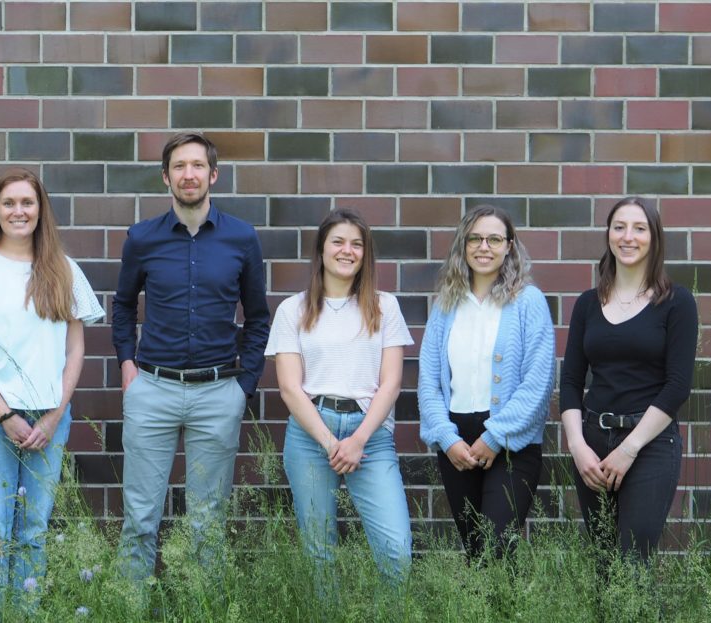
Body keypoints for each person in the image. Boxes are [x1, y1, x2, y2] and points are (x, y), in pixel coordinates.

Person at [0, 169, 104, 615]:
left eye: (27, 202)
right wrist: (7, 415)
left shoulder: (64, 269)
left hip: (52, 414)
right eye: (8, 203)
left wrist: (53, 415)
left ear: (40, 210)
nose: (18, 211)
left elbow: (75, 350)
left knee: (34, 528)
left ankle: (26, 613)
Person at [112, 132, 271, 584]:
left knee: (207, 522)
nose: (189, 174)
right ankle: (129, 610)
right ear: (166, 177)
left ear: (213, 175)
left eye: (197, 166)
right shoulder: (142, 238)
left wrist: (244, 386)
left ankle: (202, 608)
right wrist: (128, 367)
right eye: (179, 166)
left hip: (218, 393)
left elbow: (258, 317)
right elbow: (122, 306)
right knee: (140, 520)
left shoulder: (242, 238)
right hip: (152, 389)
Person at [266, 209, 413, 584]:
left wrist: (357, 440)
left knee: (396, 551)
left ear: (365, 254)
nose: (347, 251)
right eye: (338, 241)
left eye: (356, 244)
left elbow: (391, 383)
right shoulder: (292, 309)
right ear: (321, 249)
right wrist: (332, 443)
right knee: (319, 552)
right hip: (311, 435)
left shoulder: (385, 307)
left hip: (371, 438)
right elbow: (289, 387)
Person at [560, 196, 697, 563]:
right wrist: (577, 446)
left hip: (649, 445)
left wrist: (628, 448)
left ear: (654, 238)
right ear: (608, 235)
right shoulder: (588, 303)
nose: (628, 236)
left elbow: (677, 386)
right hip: (592, 445)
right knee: (605, 566)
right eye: (619, 227)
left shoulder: (677, 302)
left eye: (639, 228)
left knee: (633, 565)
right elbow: (571, 381)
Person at [418, 205, 555, 559]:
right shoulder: (445, 305)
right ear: (463, 245)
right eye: (475, 238)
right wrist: (447, 439)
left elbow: (538, 382)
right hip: (456, 444)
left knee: (496, 548)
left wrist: (494, 437)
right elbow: (429, 382)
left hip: (512, 444)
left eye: (494, 239)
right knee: (475, 550)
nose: (484, 246)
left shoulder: (528, 301)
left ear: (509, 245)